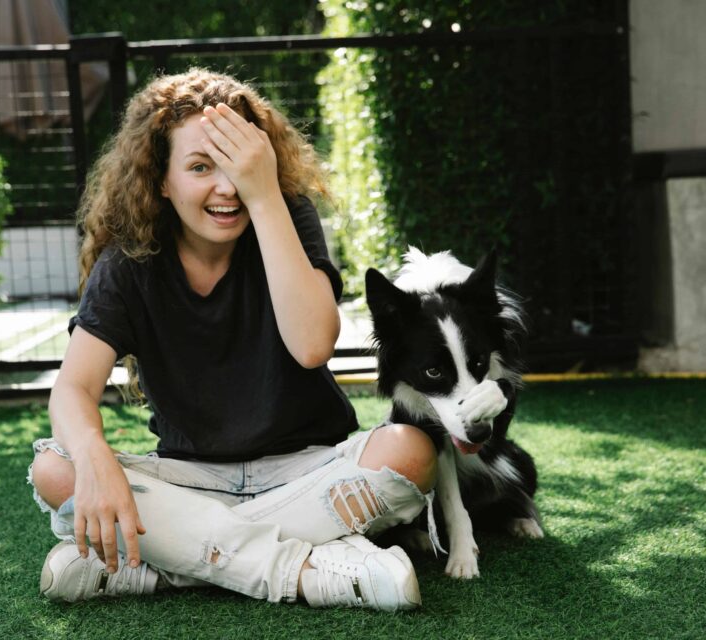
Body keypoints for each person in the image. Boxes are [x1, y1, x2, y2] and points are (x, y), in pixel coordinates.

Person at [27, 69, 438, 610]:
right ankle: (306, 571)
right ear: (162, 181)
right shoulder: (128, 263)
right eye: (200, 167)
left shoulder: (283, 216)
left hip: (305, 468)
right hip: (190, 476)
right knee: (57, 468)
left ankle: (161, 565)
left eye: (239, 166)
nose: (226, 188)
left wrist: (265, 194)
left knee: (410, 451)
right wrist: (96, 457)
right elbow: (73, 390)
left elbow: (313, 344)